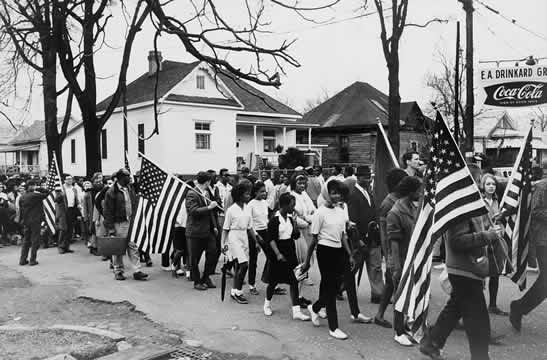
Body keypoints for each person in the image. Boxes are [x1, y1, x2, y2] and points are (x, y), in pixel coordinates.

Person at [420, 165, 501, 360]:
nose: (481, 184)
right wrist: (487, 235)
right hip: (464, 268)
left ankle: (432, 342)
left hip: (466, 267)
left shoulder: (467, 205)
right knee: (478, 320)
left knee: (455, 307)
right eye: (478, 179)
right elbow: (458, 241)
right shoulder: (460, 208)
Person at [302, 180, 355, 340]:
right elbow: (314, 239)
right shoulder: (320, 213)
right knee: (331, 289)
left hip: (339, 250)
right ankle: (333, 327)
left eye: (338, 192)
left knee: (334, 285)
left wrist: (350, 254)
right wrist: (306, 261)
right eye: (333, 192)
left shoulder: (340, 211)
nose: (336, 195)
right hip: (324, 251)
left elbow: (343, 235)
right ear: (326, 193)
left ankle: (315, 307)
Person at [510, 167, 547, 331]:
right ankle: (519, 308)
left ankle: (519, 307)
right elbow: (535, 211)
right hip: (543, 240)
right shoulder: (543, 187)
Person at [263, 192, 310, 321]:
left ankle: (296, 311)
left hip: (289, 251)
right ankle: (267, 304)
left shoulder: (289, 219)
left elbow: (295, 236)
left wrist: (295, 223)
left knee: (294, 281)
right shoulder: (274, 220)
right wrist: (278, 254)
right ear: (284, 205)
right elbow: (271, 239)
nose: (293, 208)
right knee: (273, 281)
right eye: (292, 205)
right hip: (278, 252)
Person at [387, 176, 422, 346]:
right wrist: (396, 267)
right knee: (399, 295)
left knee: (409, 294)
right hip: (400, 259)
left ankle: (406, 326)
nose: (420, 193)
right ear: (411, 192)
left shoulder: (411, 207)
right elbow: (393, 241)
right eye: (418, 190)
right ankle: (398, 331)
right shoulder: (396, 212)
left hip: (410, 258)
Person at [374, 168, 409, 328]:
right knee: (396, 284)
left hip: (402, 247)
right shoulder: (388, 203)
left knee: (390, 284)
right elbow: (383, 232)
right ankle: (401, 322)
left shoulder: (401, 199)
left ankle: (380, 315)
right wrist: (387, 255)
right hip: (393, 250)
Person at [347, 165, 384, 303]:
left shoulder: (369, 193)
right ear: (358, 177)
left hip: (373, 237)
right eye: (365, 177)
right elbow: (352, 221)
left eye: (369, 176)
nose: (368, 179)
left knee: (376, 266)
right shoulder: (353, 195)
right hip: (360, 238)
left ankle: (378, 293)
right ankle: (339, 287)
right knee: (354, 266)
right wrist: (358, 240)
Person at [103, 168, 148, 281]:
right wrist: (111, 228)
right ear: (121, 178)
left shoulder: (129, 188)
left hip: (130, 221)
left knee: (133, 246)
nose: (129, 178)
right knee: (118, 248)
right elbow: (107, 211)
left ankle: (137, 271)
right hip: (119, 223)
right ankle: (118, 271)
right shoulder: (111, 191)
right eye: (127, 176)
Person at [221, 182, 261, 304]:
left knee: (239, 266)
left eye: (249, 192)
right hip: (234, 238)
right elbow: (225, 229)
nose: (249, 195)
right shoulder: (231, 210)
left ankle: (234, 291)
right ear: (239, 195)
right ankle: (238, 291)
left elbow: (250, 228)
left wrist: (257, 242)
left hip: (244, 237)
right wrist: (223, 244)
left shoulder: (247, 208)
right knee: (244, 265)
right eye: (246, 193)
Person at [186, 171, 219, 290]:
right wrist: (209, 207)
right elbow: (193, 211)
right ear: (207, 182)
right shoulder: (192, 193)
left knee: (213, 252)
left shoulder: (207, 193)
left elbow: (210, 214)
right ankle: (197, 281)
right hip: (195, 231)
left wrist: (214, 226)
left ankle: (206, 277)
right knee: (194, 258)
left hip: (208, 230)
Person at [480, 174, 508, 316]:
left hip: (496, 243)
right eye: (488, 184)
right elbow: (477, 223)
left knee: (495, 274)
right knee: (479, 275)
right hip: (482, 242)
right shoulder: (479, 201)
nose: (491, 187)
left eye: (493, 184)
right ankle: (475, 307)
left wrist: (501, 228)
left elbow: (501, 223)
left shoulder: (498, 201)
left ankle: (493, 305)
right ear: (483, 186)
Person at [291, 173, 316, 300]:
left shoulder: (305, 194)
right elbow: (295, 216)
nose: (302, 186)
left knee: (309, 256)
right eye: (299, 183)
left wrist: (309, 218)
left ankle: (303, 277)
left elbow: (312, 210)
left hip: (308, 228)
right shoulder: (292, 195)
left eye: (303, 183)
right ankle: (297, 293)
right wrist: (306, 220)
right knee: (301, 257)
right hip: (299, 231)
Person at [18, 180, 49, 266]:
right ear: (31, 186)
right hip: (35, 221)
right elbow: (47, 193)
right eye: (34, 185)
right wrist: (40, 188)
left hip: (26, 221)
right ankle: (32, 259)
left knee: (26, 241)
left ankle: (22, 260)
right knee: (35, 240)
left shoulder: (22, 197)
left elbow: (21, 211)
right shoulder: (36, 195)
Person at [247, 181, 269, 295]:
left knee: (271, 256)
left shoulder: (265, 203)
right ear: (255, 192)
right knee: (253, 260)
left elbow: (266, 219)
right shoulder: (250, 204)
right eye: (262, 192)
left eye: (265, 191)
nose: (264, 193)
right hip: (254, 233)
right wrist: (256, 238)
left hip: (265, 232)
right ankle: (252, 285)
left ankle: (270, 282)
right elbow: (249, 223)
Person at [62, 174, 80, 245]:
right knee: (64, 228)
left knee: (70, 227)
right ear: (64, 180)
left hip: (72, 209)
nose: (70, 180)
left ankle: (67, 245)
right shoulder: (62, 188)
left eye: (71, 179)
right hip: (64, 209)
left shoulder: (74, 189)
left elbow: (76, 200)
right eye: (68, 179)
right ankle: (62, 245)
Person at [81, 181, 94, 254]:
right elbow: (84, 207)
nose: (87, 186)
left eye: (89, 184)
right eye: (85, 184)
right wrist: (85, 215)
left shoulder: (92, 193)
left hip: (92, 213)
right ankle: (88, 241)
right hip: (87, 213)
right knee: (88, 228)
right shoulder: (85, 194)